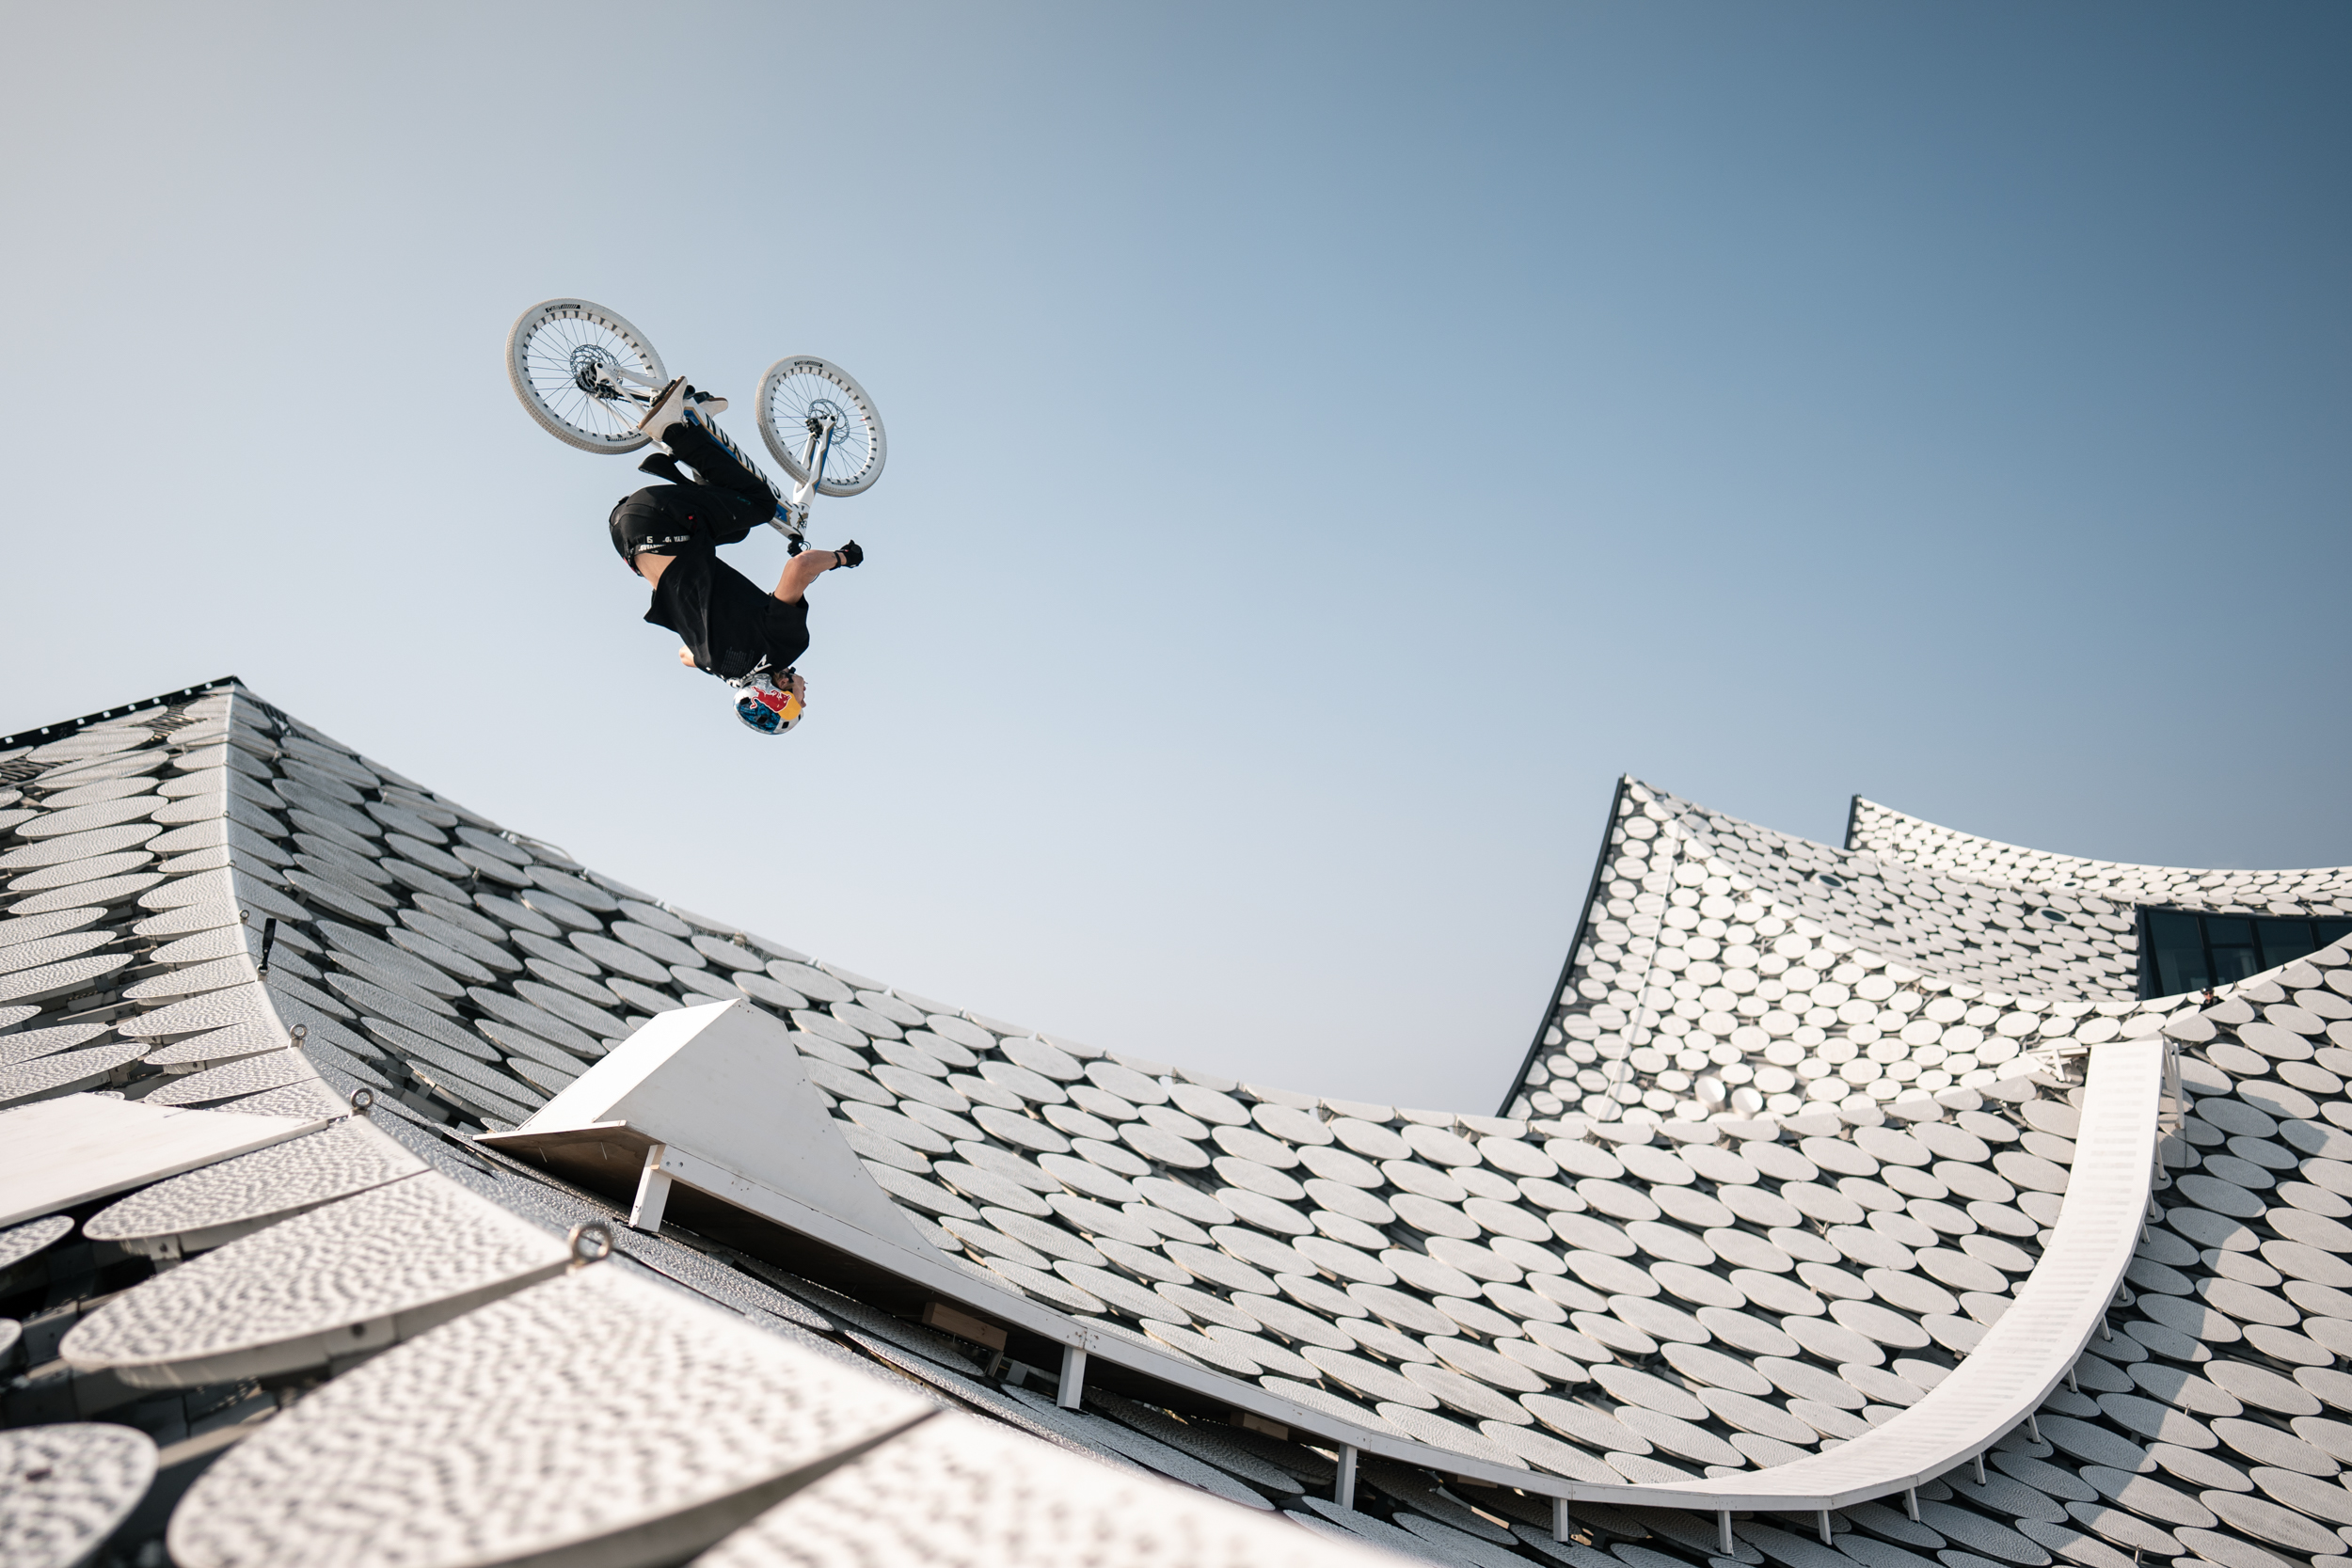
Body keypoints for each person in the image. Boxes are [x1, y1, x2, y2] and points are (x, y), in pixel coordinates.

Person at [607, 380, 863, 735]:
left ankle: (672, 429)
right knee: (737, 528)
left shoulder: (784, 646)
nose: (805, 697)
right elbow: (685, 657)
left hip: (664, 519)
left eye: (799, 702)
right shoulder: (718, 665)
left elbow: (800, 567)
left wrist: (842, 557)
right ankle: (699, 429)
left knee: (759, 503)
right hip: (625, 532)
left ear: (780, 689)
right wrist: (722, 671)